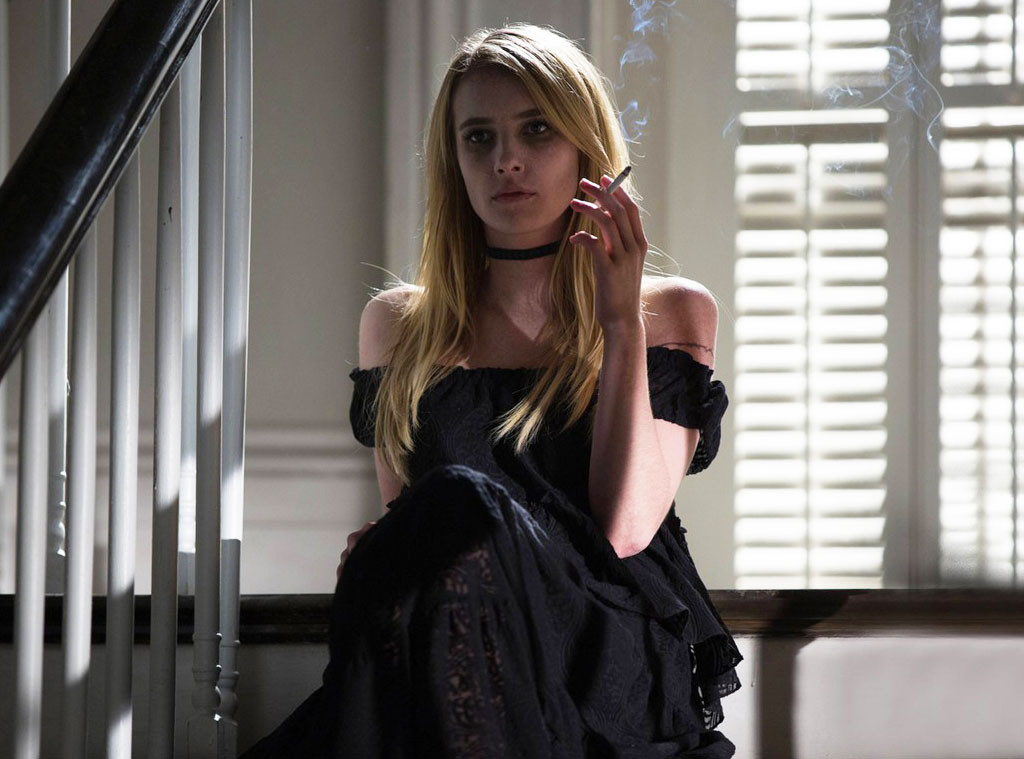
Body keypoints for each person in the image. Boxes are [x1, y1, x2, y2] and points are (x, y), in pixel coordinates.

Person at [242, 22, 742, 758]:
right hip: (463, 646)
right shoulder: (397, 325)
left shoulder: (671, 312)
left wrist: (618, 323)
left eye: (536, 129)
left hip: (602, 648)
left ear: (584, 147)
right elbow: (414, 533)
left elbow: (627, 528)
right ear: (454, 160)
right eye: (479, 137)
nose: (506, 159)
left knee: (454, 500)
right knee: (436, 525)